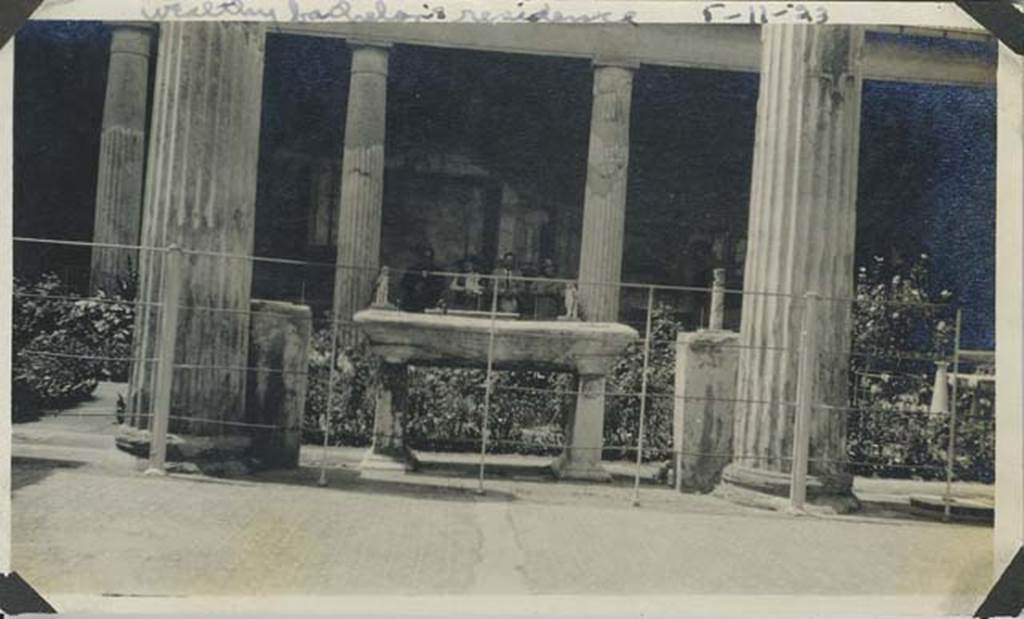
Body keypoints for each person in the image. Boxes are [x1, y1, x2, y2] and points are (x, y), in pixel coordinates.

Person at [400, 246, 445, 312]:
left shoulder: (437, 271)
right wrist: (415, 285)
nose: (426, 260)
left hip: (429, 303)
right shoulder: (412, 270)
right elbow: (404, 284)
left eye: (429, 258)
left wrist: (427, 283)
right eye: (424, 257)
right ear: (420, 258)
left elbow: (440, 287)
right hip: (412, 303)